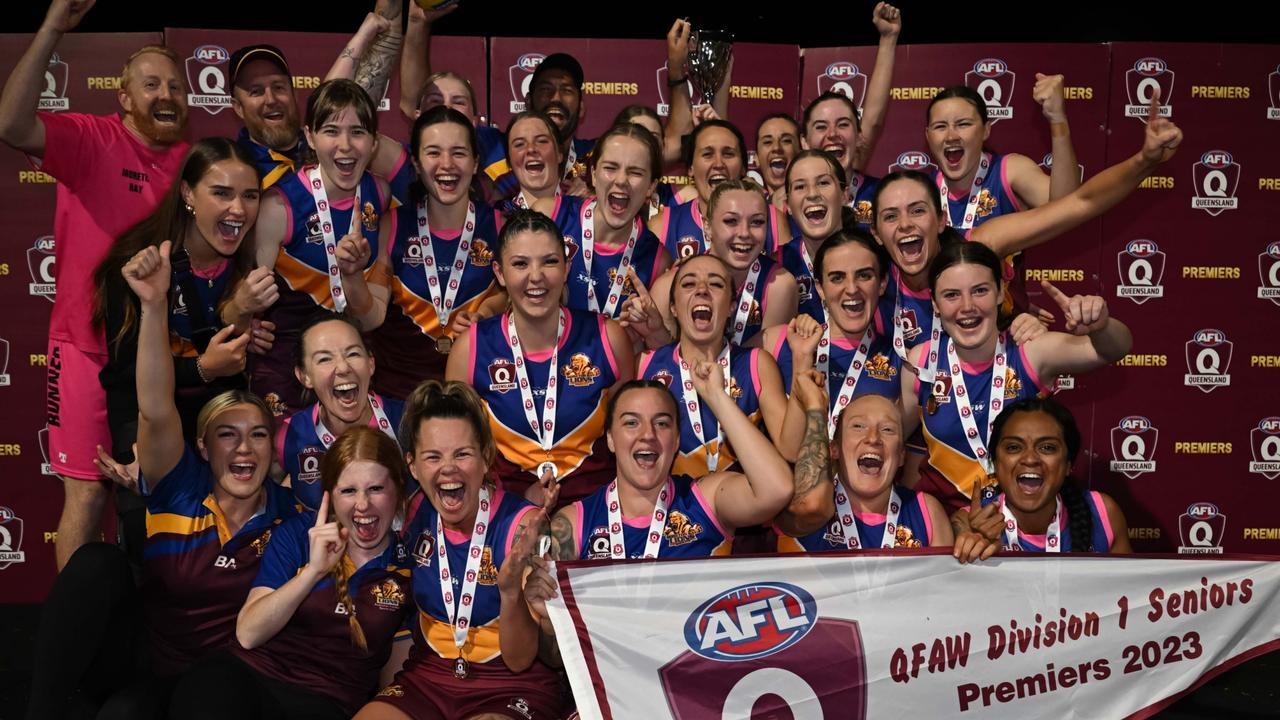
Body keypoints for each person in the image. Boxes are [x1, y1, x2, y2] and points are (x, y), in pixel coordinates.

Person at [23, 238, 296, 720]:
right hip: (153, 671)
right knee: (97, 566)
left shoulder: (290, 515)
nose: (243, 447)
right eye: (227, 435)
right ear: (202, 449)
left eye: (257, 434)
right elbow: (153, 403)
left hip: (229, 690)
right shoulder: (181, 485)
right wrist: (152, 306)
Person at [0, 0, 192, 569]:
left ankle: (153, 634)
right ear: (125, 98)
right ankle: (73, 634)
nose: (166, 95)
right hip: (86, 350)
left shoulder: (193, 165)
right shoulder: (91, 139)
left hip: (161, 356)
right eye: (150, 84)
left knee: (162, 498)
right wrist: (53, 27)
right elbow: (10, 124)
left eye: (176, 87)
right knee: (86, 493)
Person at [871, 92, 1181, 386]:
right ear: (876, 233)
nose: (904, 225)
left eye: (917, 211)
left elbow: (1079, 204)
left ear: (940, 220)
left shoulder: (978, 246)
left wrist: (1145, 161)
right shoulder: (870, 270)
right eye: (890, 217)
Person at [169, 425, 413, 720]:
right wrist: (312, 572)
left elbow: (396, 678)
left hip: (326, 699)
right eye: (348, 491)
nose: (362, 504)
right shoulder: (298, 533)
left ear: (398, 490)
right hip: (245, 675)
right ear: (330, 497)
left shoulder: (409, 566)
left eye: (376, 489)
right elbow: (248, 634)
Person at [356, 380, 562, 719]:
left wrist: (510, 593)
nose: (448, 468)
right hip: (430, 677)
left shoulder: (521, 526)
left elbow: (521, 659)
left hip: (509, 684)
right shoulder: (409, 512)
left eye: (462, 454)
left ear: (485, 458)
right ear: (413, 466)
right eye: (433, 456)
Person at [900, 241, 1133, 511]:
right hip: (945, 528)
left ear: (1001, 292)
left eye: (980, 291)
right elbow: (894, 436)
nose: (967, 306)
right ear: (935, 304)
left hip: (1020, 525)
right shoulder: (921, 362)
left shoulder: (1029, 351)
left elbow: (1113, 349)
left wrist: (1099, 325)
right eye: (951, 295)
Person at [446, 210, 634, 507]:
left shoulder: (608, 338)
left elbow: (628, 442)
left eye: (550, 261)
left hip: (598, 516)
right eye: (520, 264)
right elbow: (457, 454)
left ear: (567, 267)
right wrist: (519, 502)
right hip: (501, 513)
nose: (536, 276)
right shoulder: (470, 349)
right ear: (499, 272)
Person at [249, 79, 394, 418]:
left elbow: (372, 314)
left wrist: (354, 275)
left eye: (358, 132)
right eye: (331, 131)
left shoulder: (381, 194)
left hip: (349, 363)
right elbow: (247, 298)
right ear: (311, 137)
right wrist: (245, 322)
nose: (345, 145)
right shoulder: (278, 207)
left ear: (373, 142)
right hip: (285, 363)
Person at [367, 106, 505, 396]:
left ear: (476, 162)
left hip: (474, 394)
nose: (447, 164)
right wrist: (351, 275)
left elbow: (516, 295)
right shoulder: (391, 226)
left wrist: (488, 312)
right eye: (433, 153)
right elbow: (371, 316)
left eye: (458, 152)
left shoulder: (500, 226)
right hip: (398, 395)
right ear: (416, 163)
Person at [925, 78, 1080, 315]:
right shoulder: (922, 193)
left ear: (986, 129)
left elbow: (1067, 207)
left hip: (1005, 329)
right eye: (940, 126)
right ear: (928, 136)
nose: (951, 135)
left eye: (963, 124)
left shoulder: (1009, 171)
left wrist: (1058, 120)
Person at [636, 254, 787, 476]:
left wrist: (802, 367)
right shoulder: (644, 365)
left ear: (731, 308)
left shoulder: (757, 363)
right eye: (688, 283)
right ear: (674, 308)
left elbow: (790, 449)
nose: (702, 290)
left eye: (715, 284)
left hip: (739, 504)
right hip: (670, 506)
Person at [765, 229, 901, 461]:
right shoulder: (779, 343)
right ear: (820, 289)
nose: (851, 288)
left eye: (864, 275)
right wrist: (802, 362)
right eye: (837, 277)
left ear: (882, 283)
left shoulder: (900, 361)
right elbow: (793, 451)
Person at [775, 379, 952, 552]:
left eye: (887, 429)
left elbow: (944, 581)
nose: (873, 438)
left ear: (900, 456)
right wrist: (816, 407)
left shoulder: (926, 512)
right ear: (833, 449)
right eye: (858, 426)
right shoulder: (796, 504)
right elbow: (810, 506)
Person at [954, 397, 1133, 558]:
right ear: (994, 462)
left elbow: (1128, 592)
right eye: (1014, 447)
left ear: (1068, 464)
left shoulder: (1103, 513)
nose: (1030, 459)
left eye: (1047, 448)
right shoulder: (967, 523)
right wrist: (974, 553)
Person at [643, 180, 798, 349]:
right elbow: (665, 366)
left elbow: (761, 368)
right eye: (731, 221)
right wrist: (656, 333)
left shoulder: (779, 284)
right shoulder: (669, 286)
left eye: (757, 222)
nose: (744, 233)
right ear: (708, 227)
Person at [280, 313, 404, 512]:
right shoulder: (289, 434)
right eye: (324, 359)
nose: (343, 367)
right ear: (304, 376)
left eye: (353, 354)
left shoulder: (408, 422)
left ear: (370, 364)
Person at [557, 123, 672, 321]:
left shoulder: (657, 260)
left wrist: (638, 334)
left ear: (651, 187)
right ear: (593, 174)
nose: (621, 180)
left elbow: (655, 345)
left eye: (635, 172)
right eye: (610, 168)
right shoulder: (554, 215)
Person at [652, 120, 789, 259]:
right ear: (690, 168)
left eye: (728, 154)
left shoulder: (772, 220)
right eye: (707, 154)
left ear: (743, 167)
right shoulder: (663, 225)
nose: (718, 163)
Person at [775, 149, 851, 322]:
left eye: (823, 183)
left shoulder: (871, 255)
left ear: (845, 195)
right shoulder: (778, 264)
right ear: (788, 206)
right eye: (800, 186)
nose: (812, 194)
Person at [500, 110, 564, 217]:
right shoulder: (498, 219)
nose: (531, 149)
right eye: (519, 144)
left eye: (542, 141)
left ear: (559, 154)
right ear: (509, 161)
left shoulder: (585, 213)